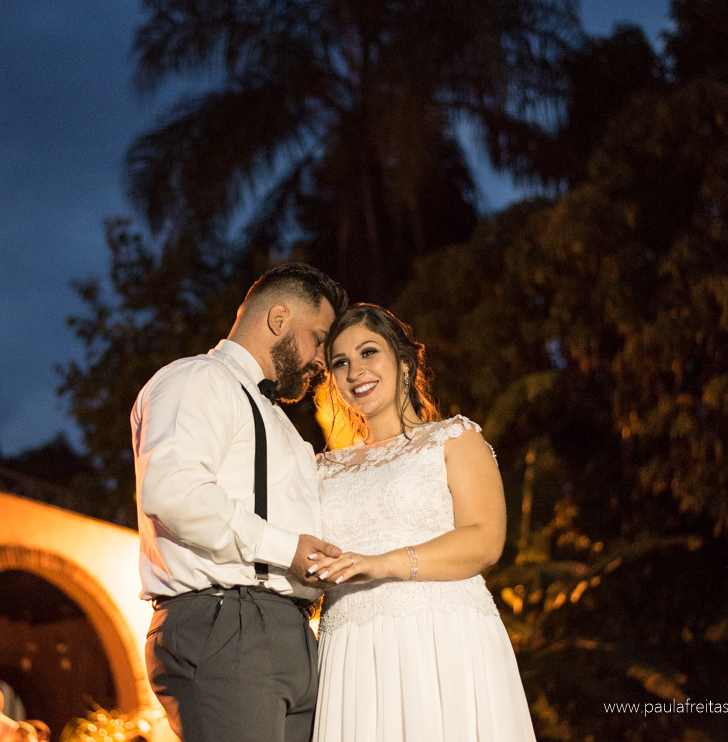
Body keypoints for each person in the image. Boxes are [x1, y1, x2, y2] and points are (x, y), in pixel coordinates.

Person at [133, 263, 349, 742]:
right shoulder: (197, 379)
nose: (323, 360)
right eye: (318, 338)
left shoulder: (284, 425)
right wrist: (288, 549)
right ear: (278, 318)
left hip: (290, 634)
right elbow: (173, 490)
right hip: (227, 625)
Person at [308, 303, 537, 742]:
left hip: (441, 638)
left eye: (368, 352)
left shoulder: (453, 438)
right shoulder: (322, 468)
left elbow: (486, 540)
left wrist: (383, 563)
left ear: (404, 362)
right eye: (340, 362)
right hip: (352, 652)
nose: (355, 371)